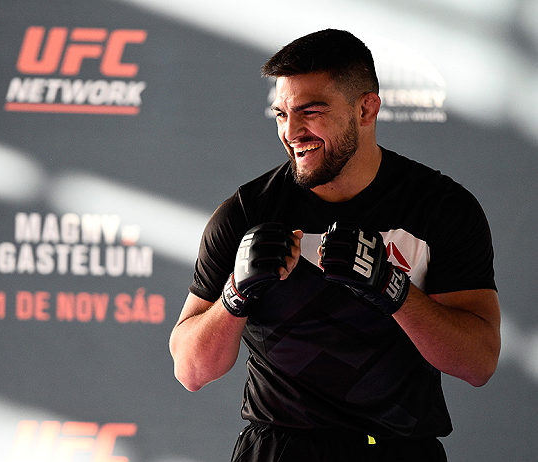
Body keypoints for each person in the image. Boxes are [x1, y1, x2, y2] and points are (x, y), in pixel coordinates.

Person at [169, 29, 500, 462]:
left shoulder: (439, 208)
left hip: (398, 450)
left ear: (366, 108)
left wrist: (391, 289)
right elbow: (191, 371)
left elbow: (478, 364)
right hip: (278, 450)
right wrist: (235, 293)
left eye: (310, 111)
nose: (292, 131)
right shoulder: (247, 213)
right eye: (281, 113)